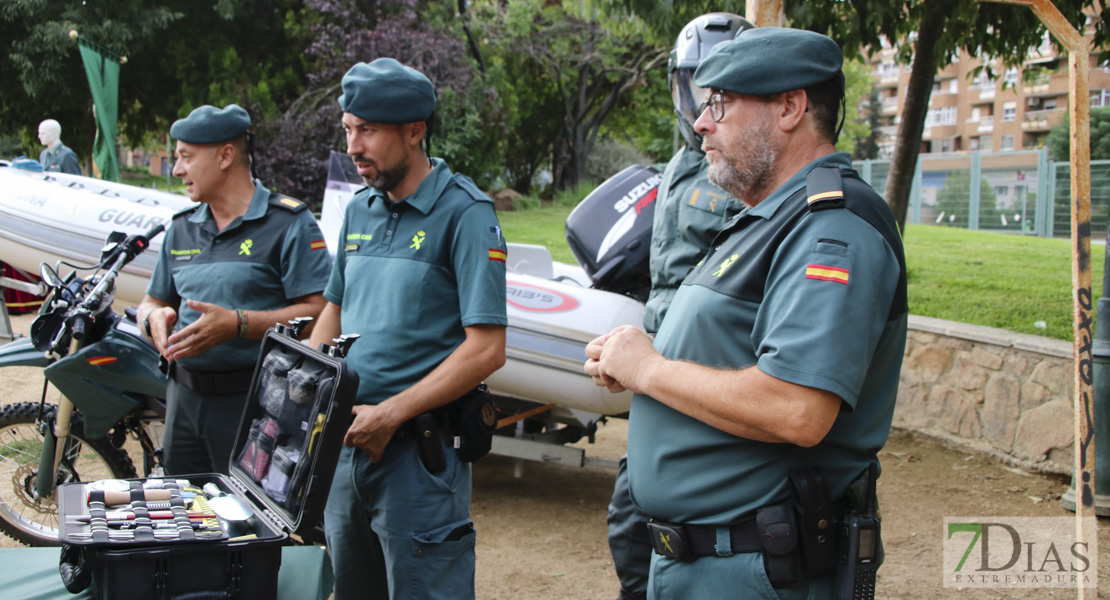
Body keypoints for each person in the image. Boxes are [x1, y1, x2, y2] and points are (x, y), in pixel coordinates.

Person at [585, 27, 908, 599]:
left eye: (722, 103)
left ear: (790, 107)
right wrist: (640, 357)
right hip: (711, 561)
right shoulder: (767, 217)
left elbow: (798, 409)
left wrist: (649, 371)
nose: (703, 122)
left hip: (757, 568)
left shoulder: (831, 227)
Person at [308, 58, 507, 600]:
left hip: (417, 459)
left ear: (415, 131)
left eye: (367, 131)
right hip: (345, 450)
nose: (353, 146)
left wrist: (392, 411)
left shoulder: (465, 213)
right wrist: (307, 384)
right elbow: (334, 307)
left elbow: (487, 349)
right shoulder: (360, 209)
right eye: (348, 129)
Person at [607, 13, 750, 600]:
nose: (698, 105)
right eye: (688, 86)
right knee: (629, 523)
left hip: (707, 376)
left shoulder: (746, 172)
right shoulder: (680, 165)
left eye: (712, 89)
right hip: (656, 372)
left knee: (665, 526)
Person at [136, 104, 331, 475]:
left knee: (249, 525)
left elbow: (320, 313)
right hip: (182, 400)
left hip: (255, 404)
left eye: (185, 157)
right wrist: (153, 317)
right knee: (187, 516)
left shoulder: (289, 223)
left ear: (226, 155)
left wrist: (238, 324)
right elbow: (152, 300)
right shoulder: (181, 228)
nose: (176, 169)